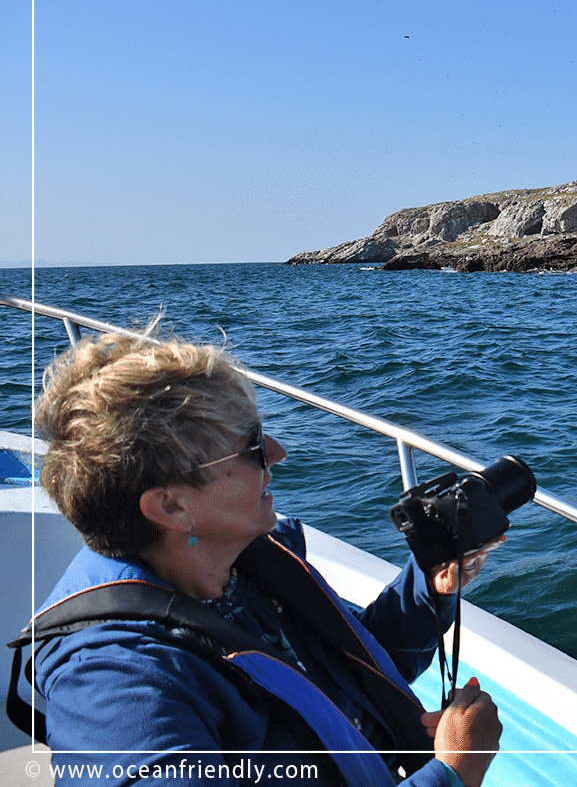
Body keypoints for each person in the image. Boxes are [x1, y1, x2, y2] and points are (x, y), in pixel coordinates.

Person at [18, 325, 502, 787]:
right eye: (250, 446)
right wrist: (453, 773)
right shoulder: (116, 685)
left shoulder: (237, 571)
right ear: (171, 505)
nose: (277, 451)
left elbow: (348, 670)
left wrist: (429, 586)